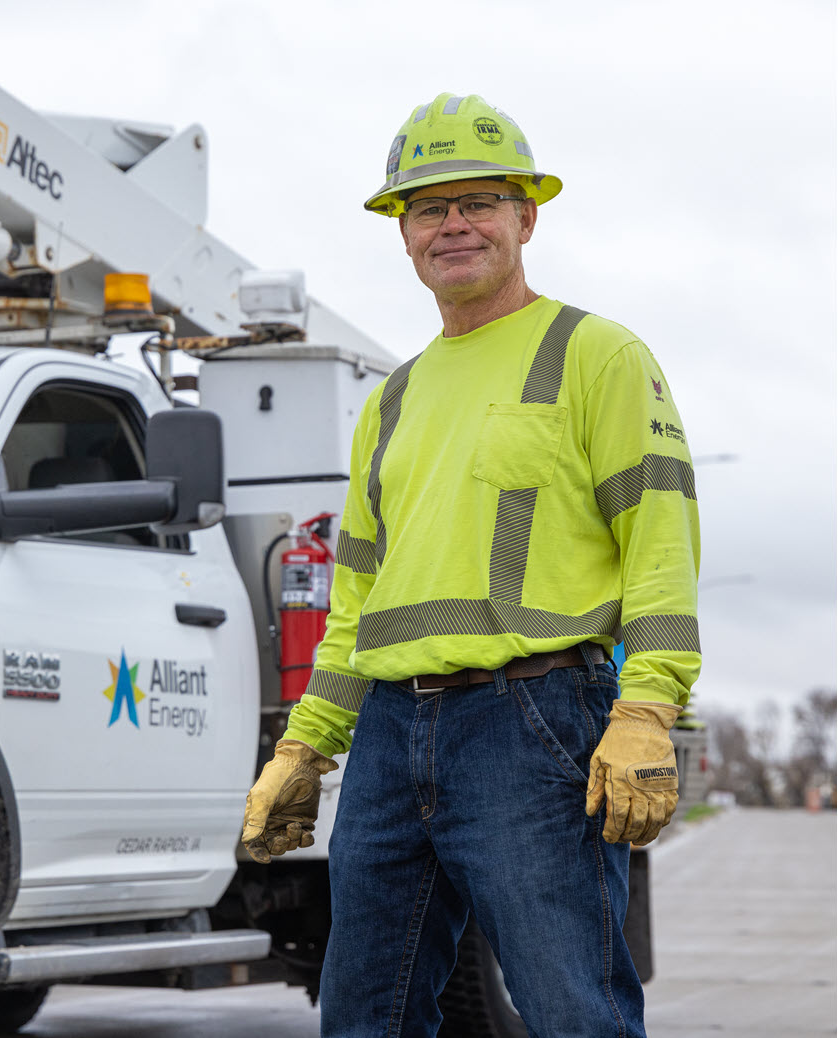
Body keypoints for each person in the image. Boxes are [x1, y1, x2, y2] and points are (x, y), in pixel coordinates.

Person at [242, 93, 700, 1038]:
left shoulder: (597, 355)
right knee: (363, 1016)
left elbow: (661, 549)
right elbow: (359, 600)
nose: (453, 224)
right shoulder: (393, 400)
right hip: (389, 739)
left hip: (532, 727)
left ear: (526, 216)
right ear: (402, 233)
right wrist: (305, 744)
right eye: (427, 207)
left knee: (574, 1011)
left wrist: (647, 709)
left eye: (478, 200)